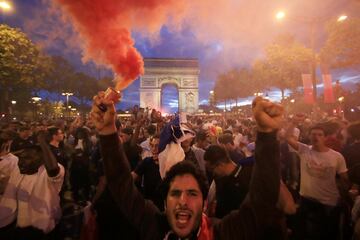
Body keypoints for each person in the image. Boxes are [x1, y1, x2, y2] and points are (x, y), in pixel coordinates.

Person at [90, 93, 292, 239]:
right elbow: (120, 184)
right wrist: (108, 132)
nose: (183, 201)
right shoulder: (154, 224)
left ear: (204, 202)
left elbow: (263, 198)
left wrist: (267, 134)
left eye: (192, 193)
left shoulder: (223, 233)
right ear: (165, 200)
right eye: (175, 193)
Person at [286, 123, 349, 239]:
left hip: (329, 202)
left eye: (320, 135)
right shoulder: (304, 150)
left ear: (325, 137)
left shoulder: (337, 156)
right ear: (309, 136)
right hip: (307, 200)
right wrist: (294, 122)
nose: (316, 137)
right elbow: (287, 136)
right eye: (313, 134)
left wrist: (343, 196)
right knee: (307, 234)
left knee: (328, 234)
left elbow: (344, 179)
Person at [0, 131, 64, 240]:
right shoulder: (18, 170)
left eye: (27, 159)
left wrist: (42, 142)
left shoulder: (49, 173)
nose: (21, 163)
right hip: (18, 226)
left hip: (41, 229)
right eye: (21, 159)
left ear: (40, 160)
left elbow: (53, 169)